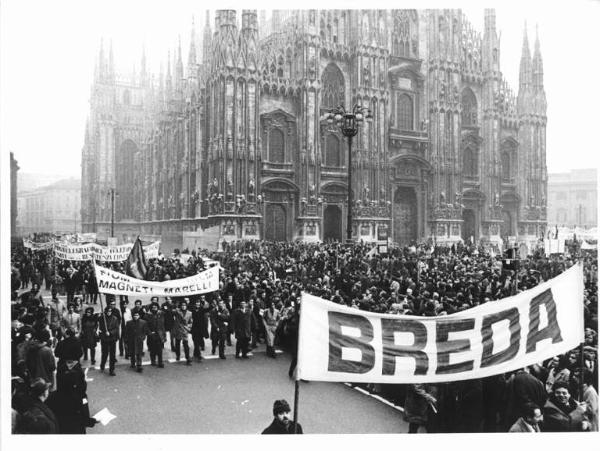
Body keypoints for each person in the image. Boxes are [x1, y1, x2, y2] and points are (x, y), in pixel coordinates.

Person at [46, 360, 98, 434]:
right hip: (76, 430)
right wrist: (94, 421)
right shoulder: (80, 398)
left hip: (61, 430)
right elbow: (84, 419)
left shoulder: (51, 397)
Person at [98, 306, 119, 376]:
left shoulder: (115, 319)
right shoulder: (102, 318)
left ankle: (111, 369)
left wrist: (110, 333)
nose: (109, 312)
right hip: (104, 339)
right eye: (107, 311)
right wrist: (99, 314)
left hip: (112, 339)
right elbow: (97, 322)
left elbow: (116, 328)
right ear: (105, 311)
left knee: (112, 355)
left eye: (110, 311)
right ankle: (102, 365)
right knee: (105, 354)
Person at [145, 302, 166, 368]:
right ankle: (153, 361)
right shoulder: (147, 315)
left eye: (155, 307)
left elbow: (162, 325)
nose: (154, 309)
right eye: (153, 308)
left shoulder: (161, 314)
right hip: (151, 334)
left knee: (160, 349)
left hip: (159, 334)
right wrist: (150, 332)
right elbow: (146, 326)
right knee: (152, 349)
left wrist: (163, 333)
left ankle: (160, 362)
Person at [172, 300, 193, 364]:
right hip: (178, 329)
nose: (183, 306)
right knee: (177, 344)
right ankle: (178, 355)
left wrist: (188, 328)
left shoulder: (189, 313)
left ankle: (188, 357)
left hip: (184, 330)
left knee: (186, 344)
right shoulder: (177, 311)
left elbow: (190, 322)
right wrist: (176, 306)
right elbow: (171, 311)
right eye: (182, 305)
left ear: (186, 306)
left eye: (184, 305)